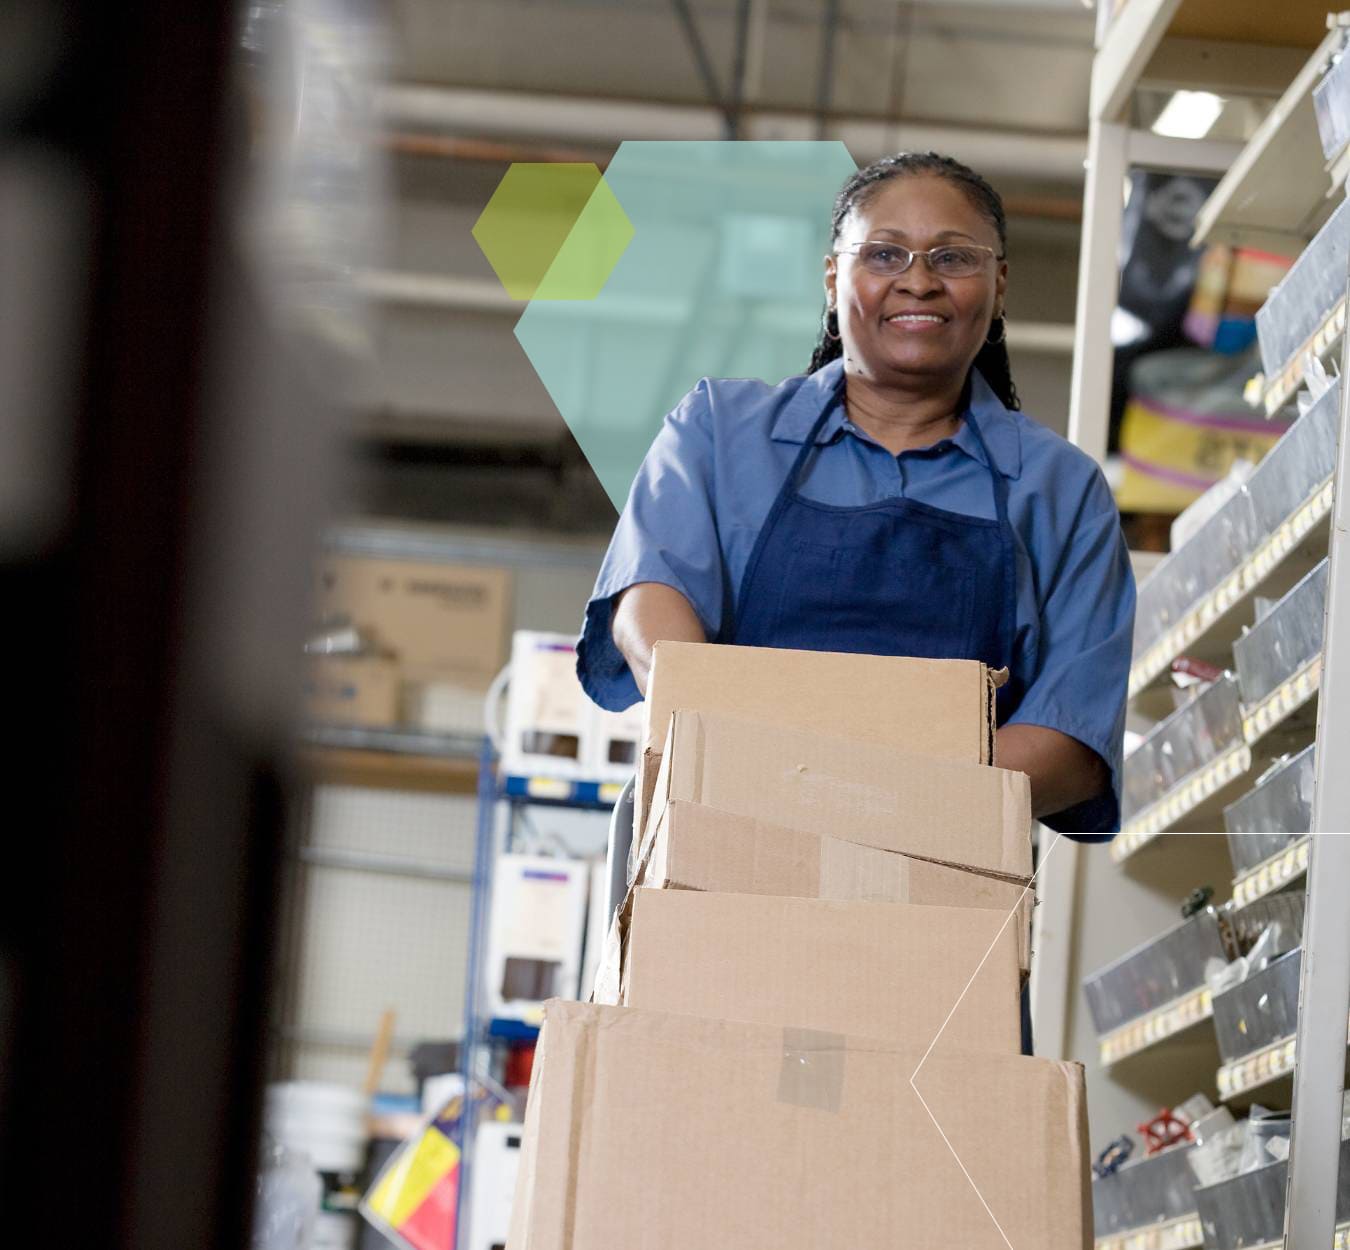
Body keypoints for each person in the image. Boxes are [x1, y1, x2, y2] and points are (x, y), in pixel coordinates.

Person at [576, 152, 1136, 834]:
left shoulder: (1060, 491)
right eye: (885, 254)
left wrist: (877, 801)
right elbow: (650, 611)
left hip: (943, 881)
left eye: (954, 258)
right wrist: (752, 766)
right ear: (834, 277)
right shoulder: (719, 435)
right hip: (724, 834)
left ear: (999, 287)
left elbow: (1072, 741)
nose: (919, 282)